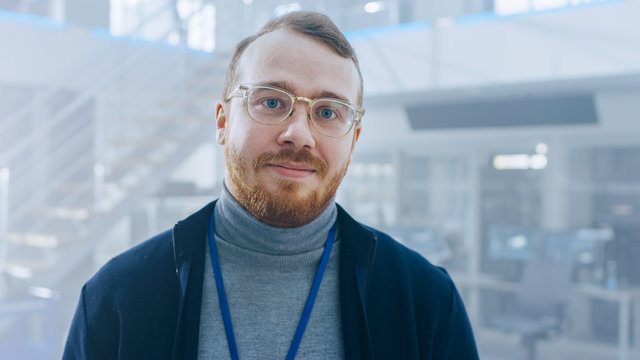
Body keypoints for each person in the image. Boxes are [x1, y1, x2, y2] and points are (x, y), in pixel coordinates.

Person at [63, 11, 479, 360]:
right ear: (223, 123)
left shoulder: (425, 301)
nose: (300, 134)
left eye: (329, 112)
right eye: (272, 102)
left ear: (352, 141)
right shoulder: (118, 297)